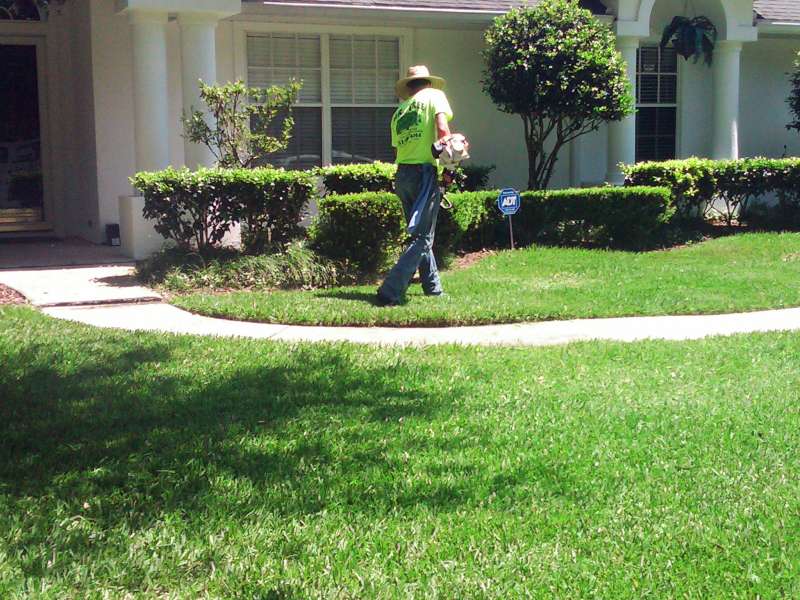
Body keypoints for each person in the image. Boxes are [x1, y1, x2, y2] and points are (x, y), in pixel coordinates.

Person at [376, 65, 454, 306]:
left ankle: (434, 289)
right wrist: (450, 165)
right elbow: (443, 131)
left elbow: (399, 148)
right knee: (422, 238)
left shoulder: (400, 111)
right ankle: (390, 290)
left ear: (409, 87)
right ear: (428, 83)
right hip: (423, 172)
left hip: (402, 175)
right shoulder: (435, 96)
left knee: (421, 235)